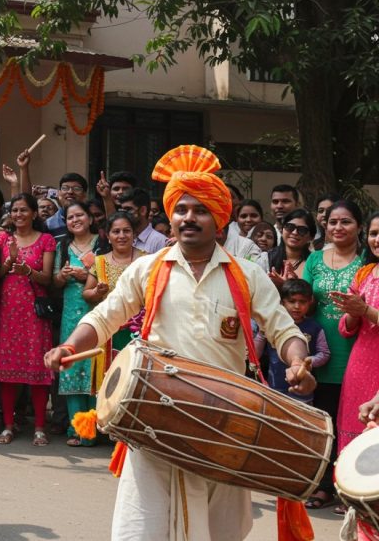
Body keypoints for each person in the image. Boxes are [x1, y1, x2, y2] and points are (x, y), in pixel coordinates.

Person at [45, 144, 313, 540]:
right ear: (170, 217)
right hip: (157, 413)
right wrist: (69, 346)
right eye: (182, 210)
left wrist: (297, 362)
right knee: (144, 525)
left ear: (219, 220)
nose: (189, 218)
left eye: (200, 210)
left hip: (225, 418)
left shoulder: (246, 275)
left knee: (224, 528)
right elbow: (105, 316)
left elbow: (284, 330)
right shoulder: (149, 268)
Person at [303, 199, 364, 511]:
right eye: (333, 222)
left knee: (354, 422)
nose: (338, 227)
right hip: (322, 353)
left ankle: (351, 489)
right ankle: (325, 485)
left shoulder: (368, 260)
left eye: (346, 222)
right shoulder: (314, 259)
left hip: (358, 354)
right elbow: (304, 301)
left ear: (359, 227)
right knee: (324, 422)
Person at [0, 193, 56, 446]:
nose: (18, 215)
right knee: (8, 372)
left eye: (23, 210)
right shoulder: (2, 239)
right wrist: (9, 260)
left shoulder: (47, 240)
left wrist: (28, 270)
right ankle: (8, 426)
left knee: (38, 370)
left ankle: (40, 427)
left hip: (34, 313)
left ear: (34, 213)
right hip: (7, 311)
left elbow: (48, 277)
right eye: (14, 210)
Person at [332, 211, 379, 486]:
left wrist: (366, 310)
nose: (377, 239)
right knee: (354, 422)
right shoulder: (364, 272)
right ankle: (351, 488)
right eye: (373, 233)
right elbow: (346, 329)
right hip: (361, 362)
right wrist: (352, 312)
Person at [53, 201, 100, 446]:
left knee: (93, 369)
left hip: (96, 311)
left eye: (80, 215)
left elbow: (110, 271)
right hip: (70, 314)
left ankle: (92, 431)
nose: (75, 220)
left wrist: (86, 277)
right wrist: (62, 276)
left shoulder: (101, 244)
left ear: (90, 218)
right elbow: (55, 281)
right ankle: (77, 431)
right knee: (71, 367)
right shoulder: (63, 245)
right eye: (70, 217)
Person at [83, 211, 145, 369]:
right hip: (109, 328)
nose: (122, 235)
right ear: (108, 236)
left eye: (127, 231)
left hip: (140, 330)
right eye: (116, 232)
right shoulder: (100, 262)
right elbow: (86, 293)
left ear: (134, 234)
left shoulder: (147, 260)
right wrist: (98, 292)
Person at [254, 278, 330, 404]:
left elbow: (324, 353)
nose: (297, 306)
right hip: (274, 389)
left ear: (310, 301)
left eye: (302, 302)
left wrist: (306, 363)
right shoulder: (272, 326)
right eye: (292, 301)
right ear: (282, 302)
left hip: (303, 391)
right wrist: (263, 332)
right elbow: (255, 354)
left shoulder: (315, 328)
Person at [267, 209, 316, 287]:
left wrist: (286, 285)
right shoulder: (266, 258)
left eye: (302, 230)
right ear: (281, 230)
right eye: (290, 227)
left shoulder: (315, 263)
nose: (294, 232)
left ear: (311, 237)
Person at [118, 188, 167, 253]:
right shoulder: (122, 239)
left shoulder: (160, 242)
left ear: (143, 210)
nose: (124, 213)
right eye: (122, 210)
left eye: (128, 209)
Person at [46, 173, 88, 238]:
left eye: (76, 189)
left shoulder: (91, 220)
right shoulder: (49, 224)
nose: (70, 192)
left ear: (84, 194)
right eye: (65, 188)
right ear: (59, 192)